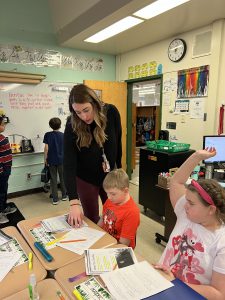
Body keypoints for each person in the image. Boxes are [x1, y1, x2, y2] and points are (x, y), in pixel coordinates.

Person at [155, 148, 225, 300]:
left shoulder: (221, 241)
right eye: (186, 200)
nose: (184, 205)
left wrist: (173, 281)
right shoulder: (186, 215)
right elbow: (176, 181)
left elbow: (219, 294)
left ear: (211, 210)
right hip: (160, 284)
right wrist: (196, 156)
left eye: (191, 203)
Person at [64, 84, 122, 226]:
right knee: (91, 218)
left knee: (115, 216)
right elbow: (69, 163)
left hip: (110, 176)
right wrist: (73, 202)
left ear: (95, 104)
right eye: (78, 112)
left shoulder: (111, 112)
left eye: (86, 110)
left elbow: (118, 143)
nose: (84, 116)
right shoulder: (71, 125)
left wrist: (120, 172)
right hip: (86, 178)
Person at [97, 168, 140, 249]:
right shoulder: (111, 201)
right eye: (107, 193)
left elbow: (123, 244)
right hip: (106, 241)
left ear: (125, 191)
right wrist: (95, 234)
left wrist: (104, 247)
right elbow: (102, 219)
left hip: (117, 248)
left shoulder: (132, 212)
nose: (109, 197)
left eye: (113, 194)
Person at [43, 117, 67, 205]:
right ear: (60, 125)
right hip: (62, 160)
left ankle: (55, 199)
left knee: (53, 179)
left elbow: (46, 148)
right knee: (63, 177)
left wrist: (45, 159)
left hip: (51, 160)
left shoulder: (47, 135)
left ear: (50, 126)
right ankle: (64, 196)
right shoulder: (63, 135)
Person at [0, 114, 17, 224]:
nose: (4, 126)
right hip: (1, 170)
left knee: (4, 189)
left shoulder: (1, 137)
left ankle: (4, 207)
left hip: (6, 169)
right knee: (0, 191)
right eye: (2, 124)